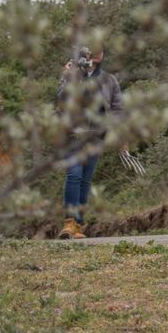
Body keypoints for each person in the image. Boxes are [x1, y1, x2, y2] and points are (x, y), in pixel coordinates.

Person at [57, 46, 123, 239]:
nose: (94, 55)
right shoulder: (73, 73)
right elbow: (61, 98)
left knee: (85, 180)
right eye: (90, 51)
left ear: (103, 55)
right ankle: (69, 223)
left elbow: (118, 110)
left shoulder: (109, 80)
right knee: (74, 174)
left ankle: (78, 225)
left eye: (99, 51)